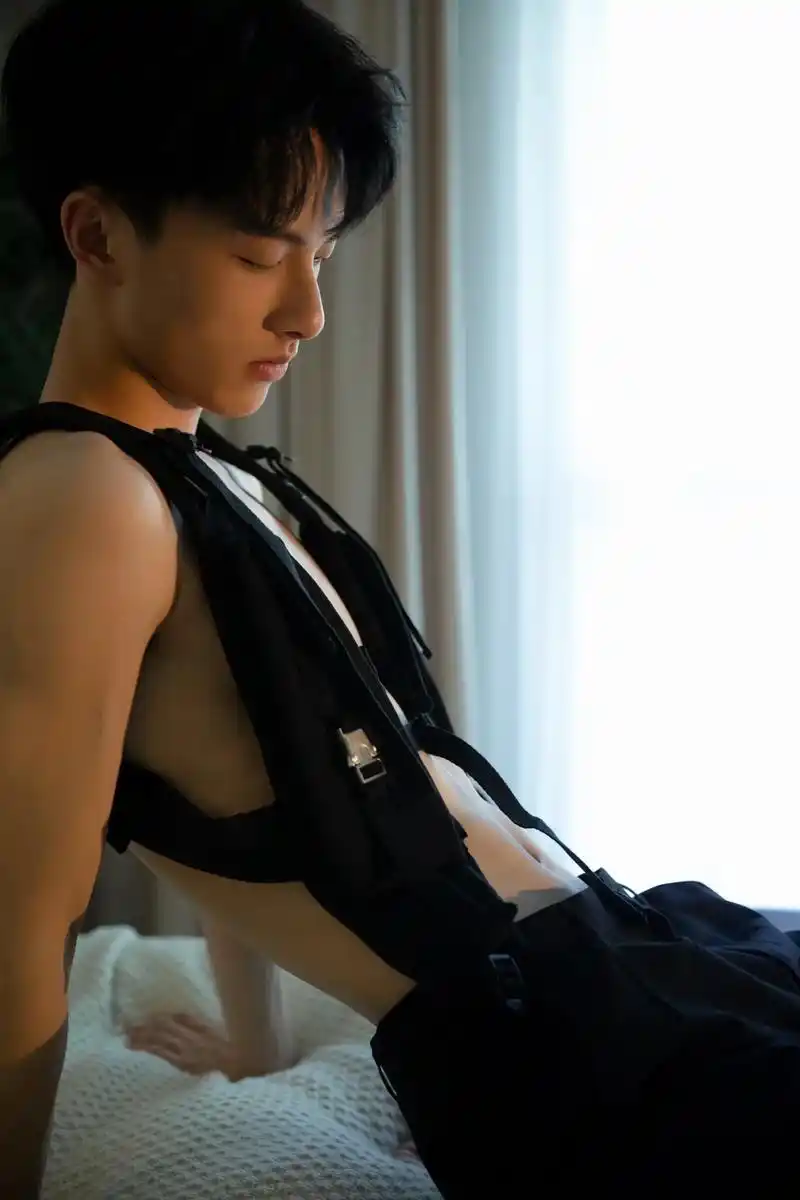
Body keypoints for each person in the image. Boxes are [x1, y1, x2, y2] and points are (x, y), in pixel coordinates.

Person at [2, 3, 800, 1198]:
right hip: (581, 1053)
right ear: (97, 232)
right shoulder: (78, 495)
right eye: (259, 256)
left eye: (320, 257)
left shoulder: (208, 478)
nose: (306, 313)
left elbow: (257, 778)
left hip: (644, 954)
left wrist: (259, 1049)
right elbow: (19, 915)